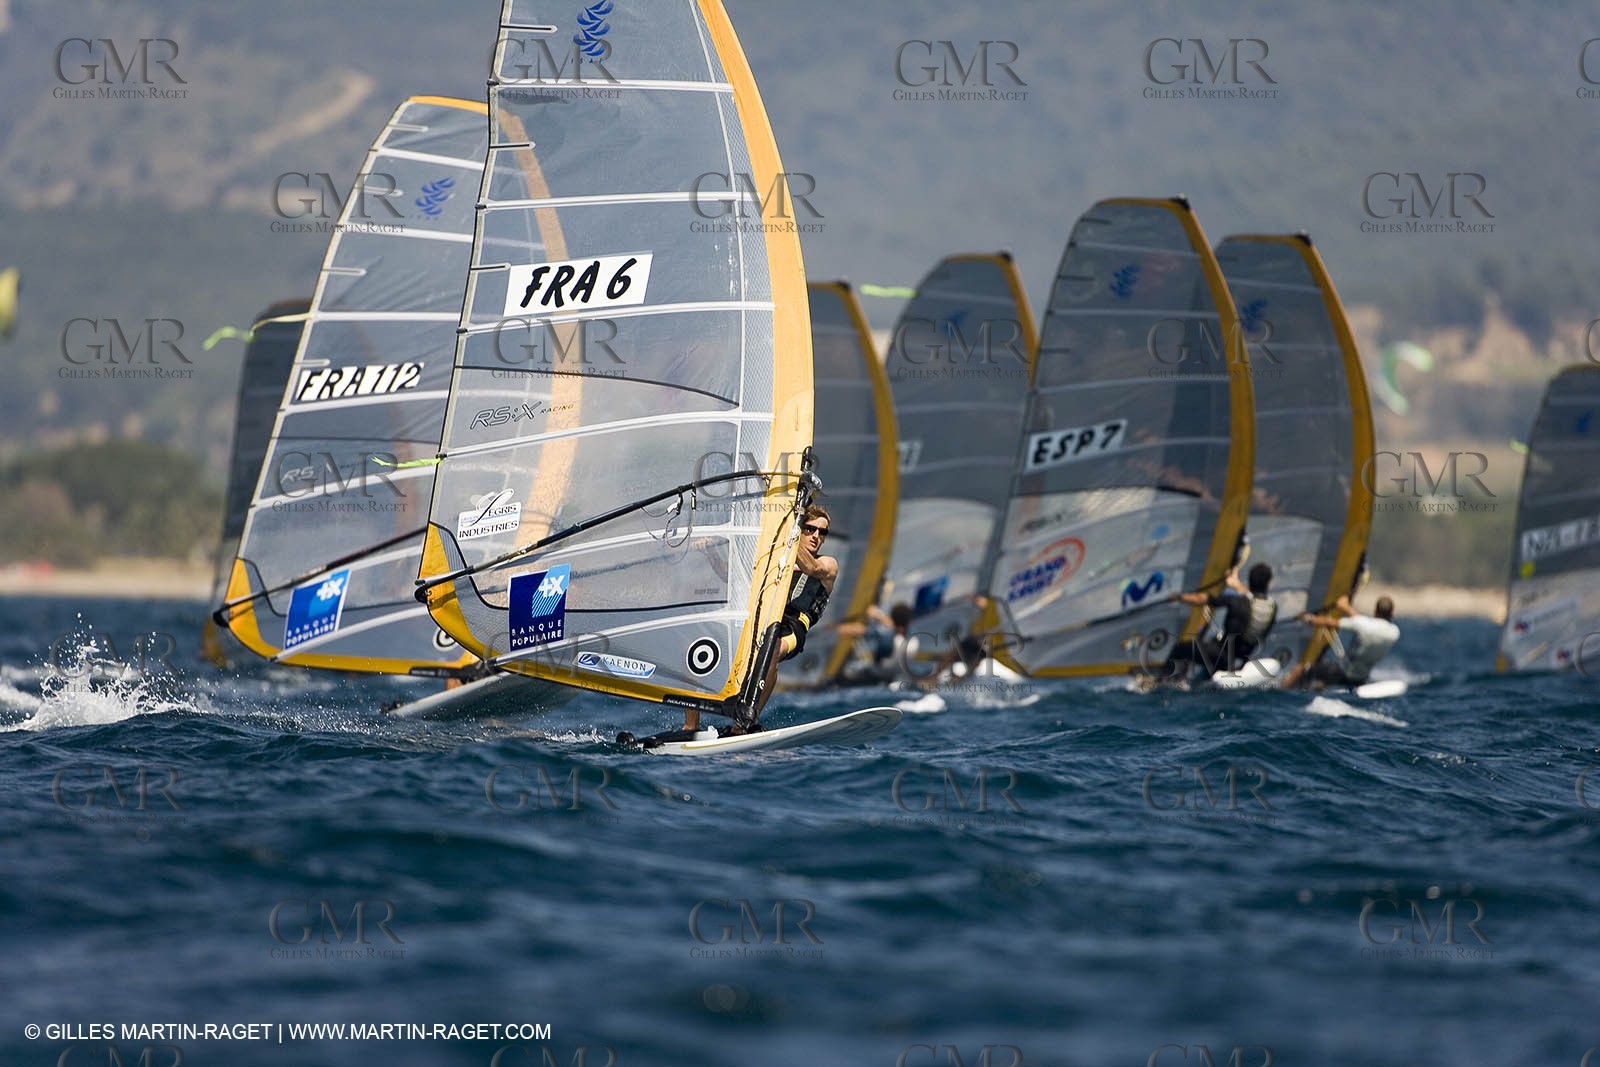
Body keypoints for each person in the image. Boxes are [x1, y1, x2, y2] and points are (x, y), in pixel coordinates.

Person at [679, 504, 838, 735]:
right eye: (810, 529)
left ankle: (743, 724)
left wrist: (788, 531)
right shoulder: (777, 559)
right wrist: (710, 553)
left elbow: (811, 568)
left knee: (771, 649)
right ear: (801, 528)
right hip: (761, 620)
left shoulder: (828, 564)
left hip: (792, 627)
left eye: (822, 532)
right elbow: (732, 575)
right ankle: (690, 725)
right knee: (698, 651)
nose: (816, 536)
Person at [1160, 562, 1278, 685]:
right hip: (1241, 660)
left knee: (1180, 649)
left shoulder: (1236, 601)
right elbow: (1251, 600)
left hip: (1219, 655)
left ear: (1249, 581)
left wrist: (1179, 597)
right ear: (1268, 583)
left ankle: (1165, 682)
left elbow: (1202, 599)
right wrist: (1236, 584)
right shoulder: (1273, 607)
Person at [1282, 594, 1399, 689]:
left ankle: (1283, 691)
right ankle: (1319, 688)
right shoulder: (1394, 632)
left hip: (1342, 673)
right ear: (1391, 613)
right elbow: (1365, 623)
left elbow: (1330, 622)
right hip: (1361, 679)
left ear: (1375, 610)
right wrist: (1346, 607)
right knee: (1322, 681)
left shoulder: (1363, 625)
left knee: (1302, 668)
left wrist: (1308, 618)